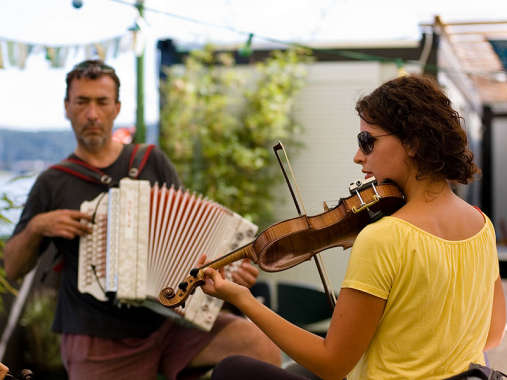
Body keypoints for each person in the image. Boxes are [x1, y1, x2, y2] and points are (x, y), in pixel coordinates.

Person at [200, 74, 507, 380]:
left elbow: (332, 364)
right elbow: (491, 336)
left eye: (367, 142)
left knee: (232, 371)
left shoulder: (385, 237)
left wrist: (243, 300)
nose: (358, 156)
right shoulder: (482, 226)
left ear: (412, 143)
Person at [3, 59, 280, 380]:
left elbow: (187, 243)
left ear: (116, 107)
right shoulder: (53, 182)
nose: (92, 113)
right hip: (97, 338)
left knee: (259, 346)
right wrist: (39, 226)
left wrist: (229, 271)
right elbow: (12, 267)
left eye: (101, 102)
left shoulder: (150, 161)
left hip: (168, 325)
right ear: (67, 107)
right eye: (82, 102)